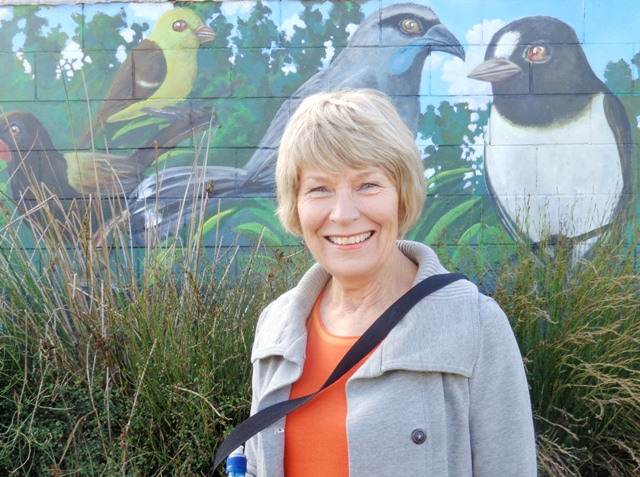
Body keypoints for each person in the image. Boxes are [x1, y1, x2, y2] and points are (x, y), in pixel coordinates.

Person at [244, 89, 537, 476]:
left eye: (367, 185)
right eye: (319, 188)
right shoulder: (277, 327)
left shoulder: (476, 325)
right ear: (296, 204)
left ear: (402, 194)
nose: (343, 213)